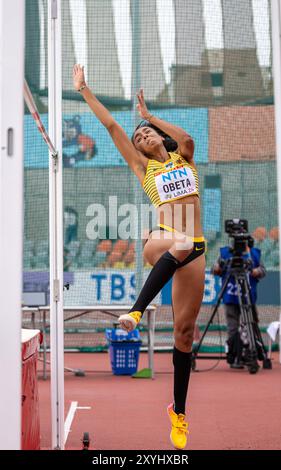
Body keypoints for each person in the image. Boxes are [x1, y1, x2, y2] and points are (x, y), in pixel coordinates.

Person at [73, 64, 206, 450]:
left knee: (184, 334)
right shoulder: (142, 167)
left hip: (195, 248)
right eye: (140, 136)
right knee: (178, 239)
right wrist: (84, 90)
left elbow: (186, 137)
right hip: (162, 240)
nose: (143, 135)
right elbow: (114, 128)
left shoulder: (185, 158)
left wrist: (151, 117)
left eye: (147, 132)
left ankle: (178, 414)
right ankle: (135, 312)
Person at [212, 242, 266, 368]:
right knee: (232, 328)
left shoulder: (254, 253)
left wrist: (255, 271)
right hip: (230, 297)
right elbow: (214, 269)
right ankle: (235, 356)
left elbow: (262, 271)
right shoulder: (225, 252)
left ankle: (250, 354)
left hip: (248, 297)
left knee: (250, 325)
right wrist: (218, 268)